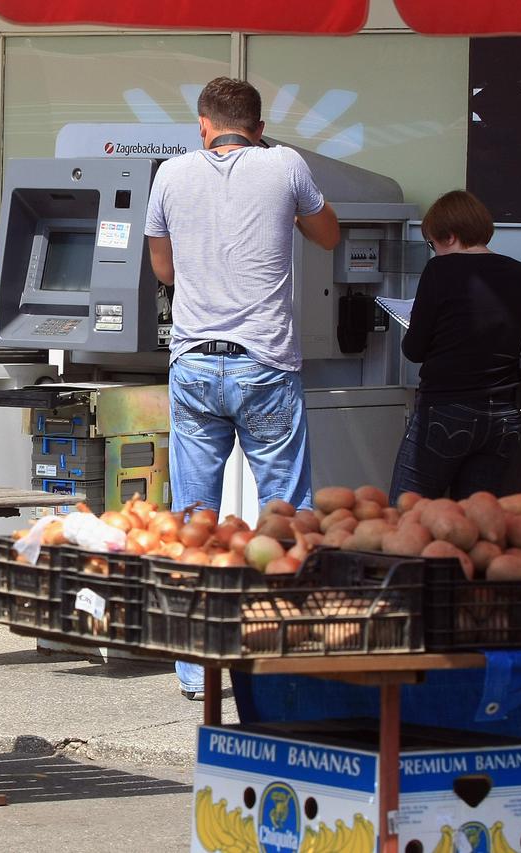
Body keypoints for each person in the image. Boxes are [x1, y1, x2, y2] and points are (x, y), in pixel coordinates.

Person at [144, 77, 340, 700]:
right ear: (259, 124)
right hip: (266, 365)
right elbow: (329, 234)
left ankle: (196, 670)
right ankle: (284, 654)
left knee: (195, 519)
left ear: (203, 125)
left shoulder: (171, 176)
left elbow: (163, 269)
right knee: (284, 510)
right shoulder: (285, 165)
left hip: (196, 364)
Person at [388, 190, 521, 503]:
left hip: (447, 408)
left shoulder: (441, 270)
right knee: (475, 524)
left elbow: (414, 350)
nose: (434, 252)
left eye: (432, 244)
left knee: (406, 515)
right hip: (505, 414)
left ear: (450, 236)